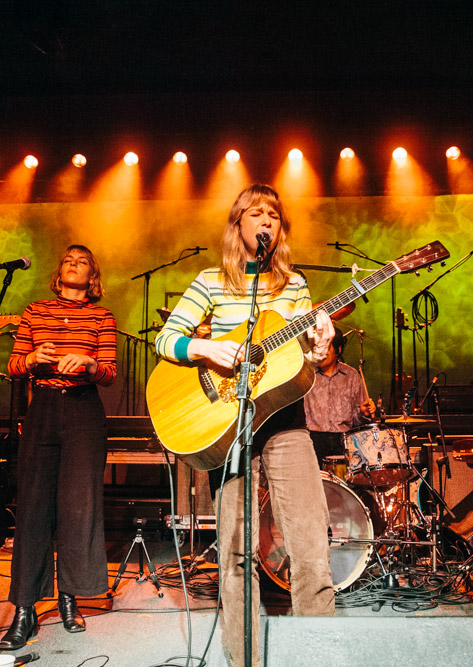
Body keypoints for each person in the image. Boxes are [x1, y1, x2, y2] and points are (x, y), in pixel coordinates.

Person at [154, 184, 335, 666]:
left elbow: (306, 359)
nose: (267, 221)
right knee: (235, 553)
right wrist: (206, 348)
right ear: (239, 225)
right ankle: (244, 661)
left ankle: (318, 655)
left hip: (286, 422)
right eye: (257, 213)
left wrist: (319, 348)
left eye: (273, 214)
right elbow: (166, 339)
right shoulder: (210, 280)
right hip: (228, 425)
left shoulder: (294, 285)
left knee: (310, 542)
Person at [0, 244, 117, 650]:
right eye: (68, 259)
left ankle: (69, 598)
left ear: (92, 276)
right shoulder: (35, 311)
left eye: (83, 261)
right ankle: (24, 609)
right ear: (59, 271)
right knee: (32, 508)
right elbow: (14, 364)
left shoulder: (102, 316)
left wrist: (88, 364)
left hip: (84, 411)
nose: (74, 264)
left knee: (77, 506)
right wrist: (32, 359)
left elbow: (110, 373)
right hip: (43, 407)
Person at [304, 327, 375, 468]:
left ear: (339, 350)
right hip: (313, 439)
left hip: (343, 440)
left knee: (343, 486)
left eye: (326, 348)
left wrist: (363, 413)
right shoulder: (307, 374)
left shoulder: (351, 375)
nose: (321, 352)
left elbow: (357, 422)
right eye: (317, 348)